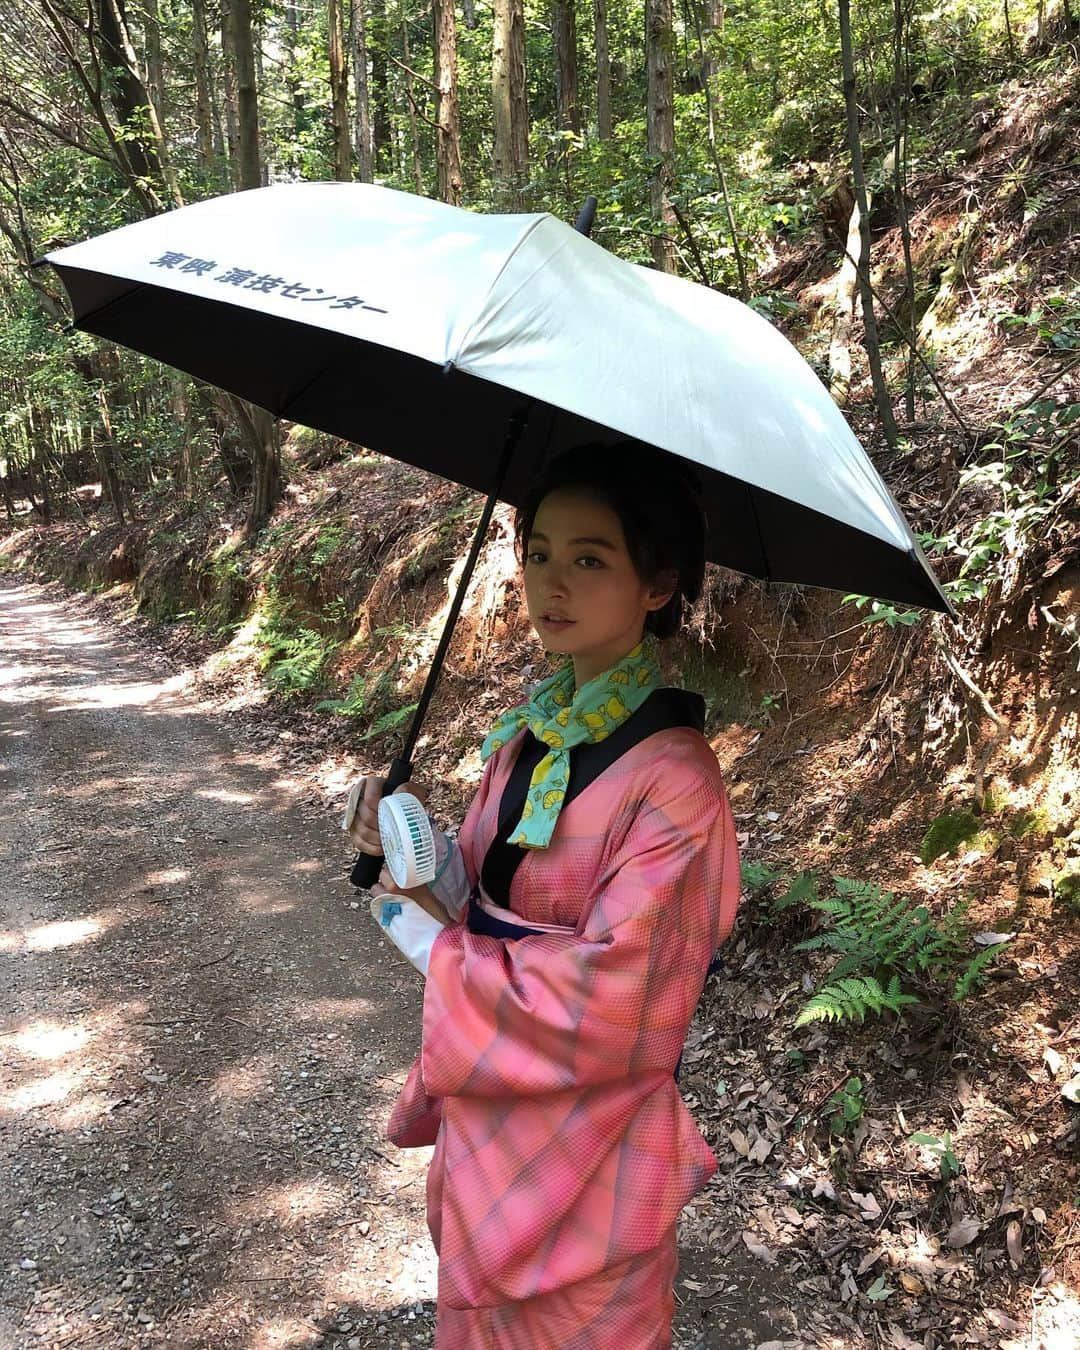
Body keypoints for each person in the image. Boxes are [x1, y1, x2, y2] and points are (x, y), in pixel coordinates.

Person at [348, 442, 741, 1349]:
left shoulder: (678, 784)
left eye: (590, 558)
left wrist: (433, 948)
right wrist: (411, 848)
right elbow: (477, 896)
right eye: (538, 553)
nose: (549, 583)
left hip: (590, 1149)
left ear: (658, 585)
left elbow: (623, 995)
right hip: (492, 1124)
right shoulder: (528, 740)